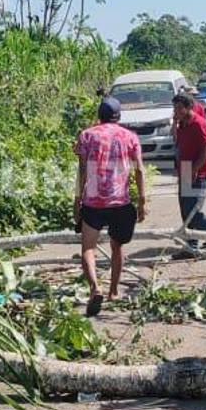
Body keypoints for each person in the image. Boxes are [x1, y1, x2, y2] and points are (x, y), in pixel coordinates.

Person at [74, 96, 146, 317]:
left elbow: (82, 170)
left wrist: (77, 200)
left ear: (100, 115)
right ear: (119, 115)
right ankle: (114, 291)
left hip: (93, 201)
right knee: (117, 246)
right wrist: (142, 201)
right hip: (120, 202)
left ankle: (95, 287)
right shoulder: (130, 137)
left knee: (88, 248)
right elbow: (140, 170)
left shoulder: (87, 135)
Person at [172, 92, 206, 256]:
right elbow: (177, 144)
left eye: (179, 108)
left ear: (188, 107)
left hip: (198, 173)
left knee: (194, 212)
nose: (176, 111)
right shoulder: (182, 124)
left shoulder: (200, 124)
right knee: (186, 212)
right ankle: (191, 246)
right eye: (174, 108)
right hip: (185, 170)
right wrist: (174, 123)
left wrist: (194, 170)